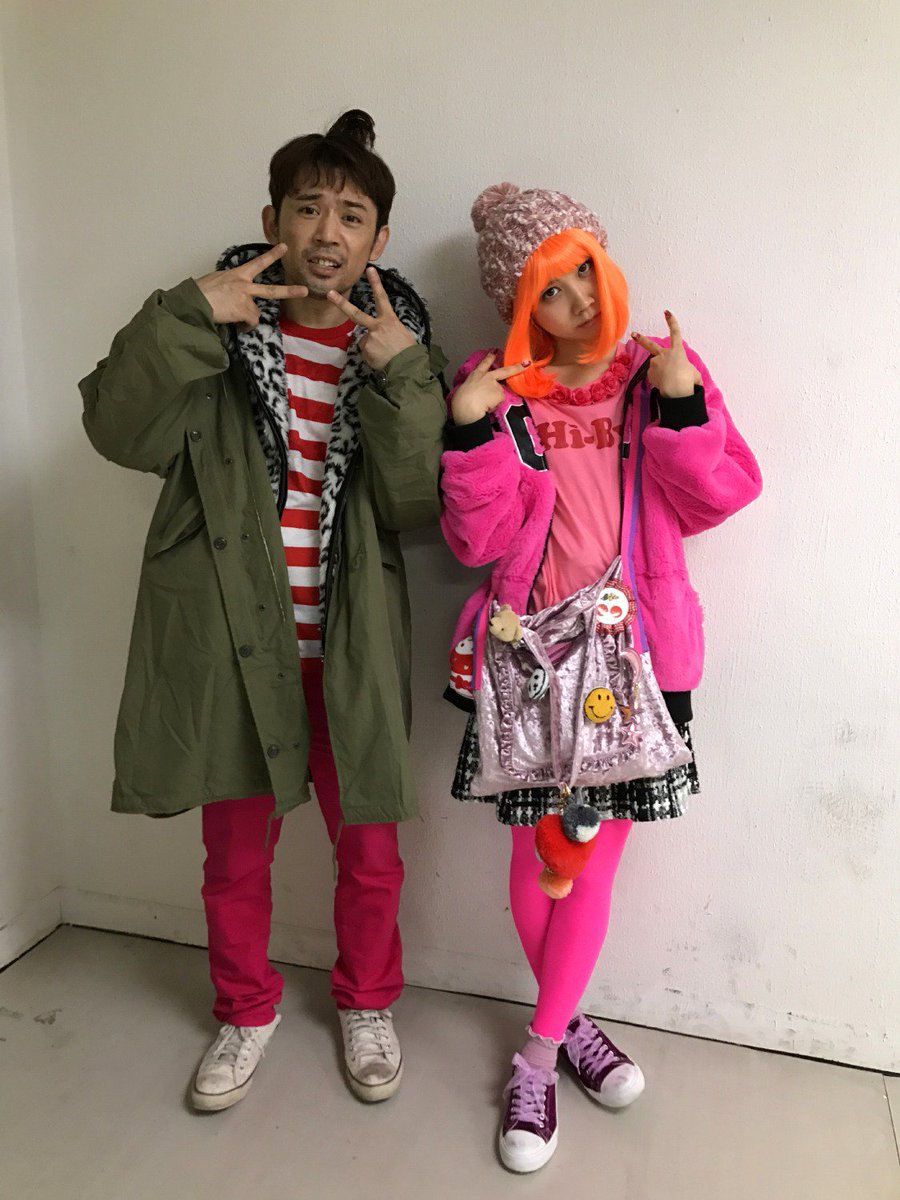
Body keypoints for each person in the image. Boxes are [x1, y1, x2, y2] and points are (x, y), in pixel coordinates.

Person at [80, 110, 447, 1112]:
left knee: (371, 850)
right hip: (236, 651)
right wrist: (188, 311)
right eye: (308, 208)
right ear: (272, 221)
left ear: (379, 239)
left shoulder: (398, 350)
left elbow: (418, 502)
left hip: (350, 648)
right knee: (234, 857)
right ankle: (245, 1010)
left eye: (352, 215)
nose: (328, 232)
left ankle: (367, 1003)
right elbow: (115, 427)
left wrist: (404, 374)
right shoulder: (216, 339)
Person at [439, 182, 761, 1172]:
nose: (576, 297)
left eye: (583, 269)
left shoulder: (655, 370)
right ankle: (572, 1023)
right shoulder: (498, 387)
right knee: (537, 858)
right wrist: (469, 430)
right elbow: (474, 541)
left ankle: (538, 1055)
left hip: (637, 653)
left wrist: (682, 403)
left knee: (591, 860)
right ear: (518, 301)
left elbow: (720, 495)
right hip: (531, 655)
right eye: (549, 285)